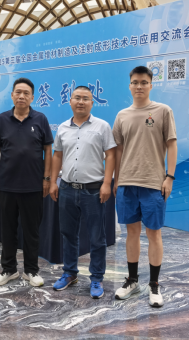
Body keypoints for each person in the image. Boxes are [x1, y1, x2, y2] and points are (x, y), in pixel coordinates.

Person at [112, 66, 177, 308]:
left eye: (143, 82)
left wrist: (170, 177)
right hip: (127, 184)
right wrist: (117, 179)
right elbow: (118, 150)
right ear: (129, 85)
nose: (139, 86)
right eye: (135, 82)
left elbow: (172, 144)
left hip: (153, 184)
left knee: (154, 234)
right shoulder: (122, 115)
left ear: (151, 84)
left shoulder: (163, 111)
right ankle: (132, 280)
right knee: (131, 233)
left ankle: (154, 284)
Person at [49, 86, 116, 299]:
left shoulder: (102, 126)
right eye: (77, 98)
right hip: (67, 188)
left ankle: (96, 278)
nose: (80, 101)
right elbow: (57, 155)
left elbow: (111, 155)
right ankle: (70, 273)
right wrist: (53, 182)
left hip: (93, 190)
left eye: (85, 98)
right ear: (70, 101)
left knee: (97, 237)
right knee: (68, 234)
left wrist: (107, 183)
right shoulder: (62, 128)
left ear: (92, 103)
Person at [0, 78, 53, 287]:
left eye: (26, 93)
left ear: (32, 97)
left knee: (31, 231)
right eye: (18, 92)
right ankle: (9, 269)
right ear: (12, 95)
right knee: (7, 230)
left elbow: (48, 150)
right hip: (7, 185)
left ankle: (31, 271)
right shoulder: (2, 119)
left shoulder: (40, 119)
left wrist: (46, 178)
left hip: (33, 186)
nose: (21, 96)